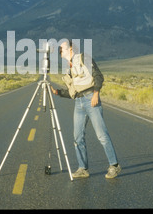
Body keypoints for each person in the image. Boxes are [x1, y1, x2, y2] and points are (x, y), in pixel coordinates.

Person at [50, 40, 121, 179]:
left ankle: (115, 166)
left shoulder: (84, 58)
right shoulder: (67, 67)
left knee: (101, 135)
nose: (60, 49)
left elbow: (98, 76)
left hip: (91, 99)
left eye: (62, 47)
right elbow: (73, 91)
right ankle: (83, 169)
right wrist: (57, 92)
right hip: (79, 102)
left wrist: (96, 93)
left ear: (70, 49)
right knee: (77, 137)